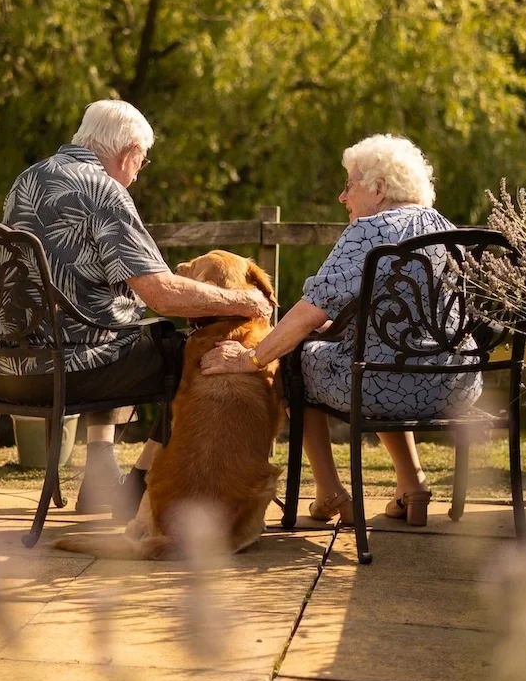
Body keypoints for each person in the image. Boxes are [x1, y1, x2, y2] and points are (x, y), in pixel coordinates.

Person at [0, 99, 272, 517]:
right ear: (129, 152)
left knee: (121, 330)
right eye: (143, 161)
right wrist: (246, 301)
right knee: (191, 355)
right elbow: (163, 295)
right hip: (62, 371)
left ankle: (100, 477)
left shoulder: (29, 178)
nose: (138, 172)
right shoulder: (104, 190)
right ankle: (135, 487)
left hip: (5, 368)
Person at [201, 134, 483, 527]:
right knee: (371, 356)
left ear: (379, 189)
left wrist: (252, 357)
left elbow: (306, 315)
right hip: (457, 384)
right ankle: (413, 484)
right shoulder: (446, 227)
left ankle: (331, 491)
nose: (342, 197)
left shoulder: (368, 232)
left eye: (349, 184)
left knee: (296, 358)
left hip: (384, 386)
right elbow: (412, 319)